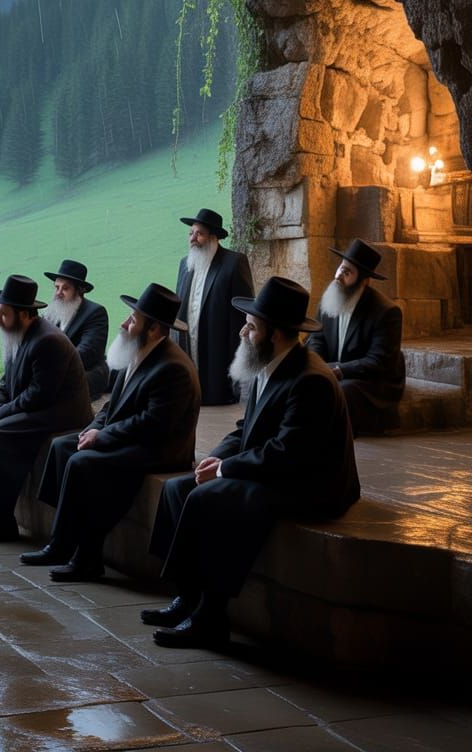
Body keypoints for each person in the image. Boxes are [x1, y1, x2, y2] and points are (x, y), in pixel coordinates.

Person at [145, 276, 360, 649]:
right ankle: (188, 595)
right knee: (180, 487)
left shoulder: (310, 380)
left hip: (313, 486)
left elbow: (285, 452)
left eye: (252, 325)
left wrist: (227, 469)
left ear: (274, 334)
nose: (243, 330)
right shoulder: (270, 363)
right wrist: (217, 456)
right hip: (281, 471)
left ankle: (210, 618)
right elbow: (247, 430)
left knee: (211, 499)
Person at [23, 283, 200, 581]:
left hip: (160, 450)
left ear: (155, 329)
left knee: (83, 463)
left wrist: (102, 437)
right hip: (135, 438)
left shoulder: (173, 368)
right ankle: (62, 539)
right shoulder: (139, 349)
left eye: (133, 319)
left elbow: (151, 424)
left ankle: (84, 556)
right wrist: (92, 429)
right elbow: (110, 407)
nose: (124, 323)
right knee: (64, 446)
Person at [0, 274, 91, 543]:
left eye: (2, 313)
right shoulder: (18, 333)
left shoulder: (48, 341)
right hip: (32, 406)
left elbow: (40, 394)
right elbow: (5, 380)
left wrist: (2, 413)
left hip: (58, 412)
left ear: (23, 314)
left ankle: (2, 519)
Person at [306, 238, 405, 434]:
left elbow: (378, 362)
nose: (339, 277)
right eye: (340, 269)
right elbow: (316, 339)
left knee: (342, 390)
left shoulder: (386, 312)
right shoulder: (329, 300)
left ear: (364, 281)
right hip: (334, 370)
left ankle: (327, 437)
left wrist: (339, 370)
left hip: (372, 380)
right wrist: (317, 363)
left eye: (347, 272)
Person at [174, 208, 254, 405]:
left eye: (199, 234)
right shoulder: (185, 264)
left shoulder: (234, 262)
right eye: (191, 233)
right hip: (188, 335)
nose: (193, 238)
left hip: (219, 343)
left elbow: (243, 309)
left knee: (214, 391)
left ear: (213, 237)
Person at [42, 259, 110, 398]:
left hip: (86, 373)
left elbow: (87, 352)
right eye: (57, 287)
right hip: (56, 371)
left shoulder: (95, 313)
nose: (58, 293)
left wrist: (50, 367)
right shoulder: (50, 314)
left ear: (79, 291)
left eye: (65, 288)